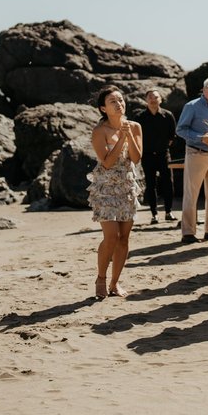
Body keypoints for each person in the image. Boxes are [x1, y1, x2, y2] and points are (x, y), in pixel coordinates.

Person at [88, 86, 143, 299]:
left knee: (124, 238)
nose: (119, 103)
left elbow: (136, 159)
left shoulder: (135, 127)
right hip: (105, 188)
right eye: (113, 101)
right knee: (111, 236)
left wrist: (129, 134)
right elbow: (108, 163)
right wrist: (121, 137)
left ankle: (114, 283)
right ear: (103, 108)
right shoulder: (99, 131)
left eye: (120, 100)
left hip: (127, 187)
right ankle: (101, 278)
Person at [176, 76, 208, 244]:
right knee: (191, 194)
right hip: (196, 153)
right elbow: (180, 130)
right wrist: (200, 137)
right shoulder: (192, 106)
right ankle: (188, 232)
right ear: (203, 89)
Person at [135, 89, 177, 225]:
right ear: (146, 100)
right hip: (147, 155)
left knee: (168, 183)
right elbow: (136, 137)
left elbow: (172, 136)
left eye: (156, 97)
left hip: (164, 154)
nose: (153, 99)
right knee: (150, 184)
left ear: (161, 99)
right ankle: (154, 214)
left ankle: (169, 212)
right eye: (150, 97)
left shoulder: (167, 115)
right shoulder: (140, 117)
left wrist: (162, 146)